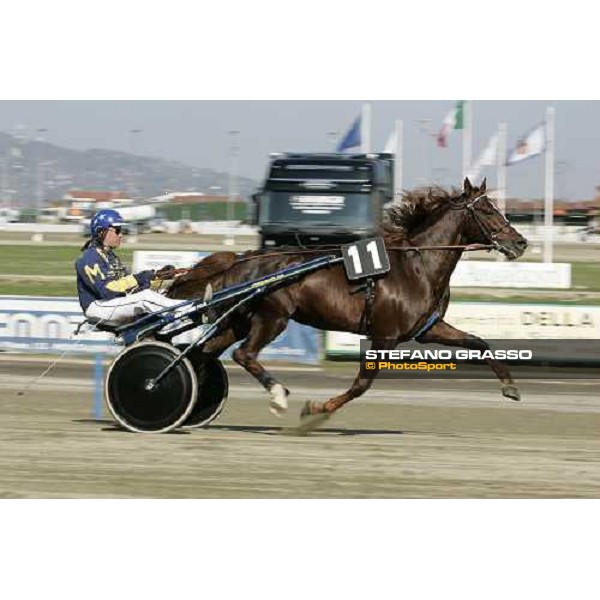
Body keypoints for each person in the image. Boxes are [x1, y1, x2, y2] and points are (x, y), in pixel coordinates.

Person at [75, 208, 200, 340]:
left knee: (157, 294)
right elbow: (108, 290)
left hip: (111, 303)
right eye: (117, 230)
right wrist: (139, 278)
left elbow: (131, 286)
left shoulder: (111, 257)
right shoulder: (88, 258)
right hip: (98, 307)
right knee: (144, 298)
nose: (121, 235)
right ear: (102, 232)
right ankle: (190, 309)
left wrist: (160, 278)